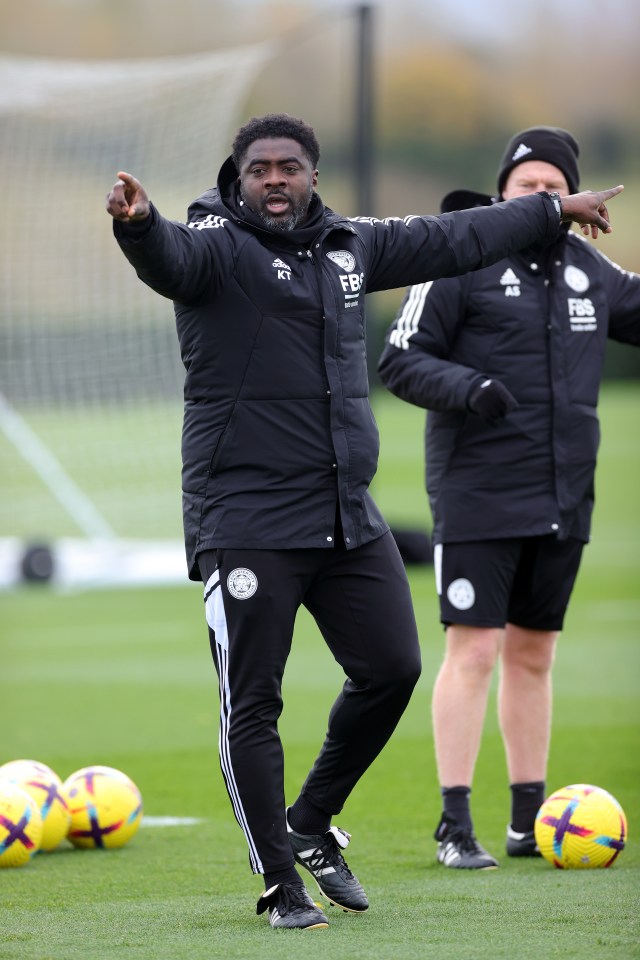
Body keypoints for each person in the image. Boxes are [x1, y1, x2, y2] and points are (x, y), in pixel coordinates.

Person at [105, 113, 623, 928]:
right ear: (238, 180)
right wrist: (139, 227)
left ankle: (309, 821)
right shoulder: (214, 245)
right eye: (259, 169)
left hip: (345, 515)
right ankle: (280, 883)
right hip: (247, 519)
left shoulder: (350, 246)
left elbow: (455, 236)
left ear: (314, 174)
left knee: (393, 669)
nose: (275, 179)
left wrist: (552, 211)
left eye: (291, 166)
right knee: (255, 705)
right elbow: (170, 256)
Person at [378, 125, 640, 871]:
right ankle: (454, 825)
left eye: (554, 187)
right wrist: (473, 389)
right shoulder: (460, 256)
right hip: (478, 494)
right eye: (527, 187)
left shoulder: (589, 268)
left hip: (565, 496)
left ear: (577, 197)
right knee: (474, 652)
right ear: (502, 194)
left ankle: (531, 822)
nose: (541, 198)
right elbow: (399, 358)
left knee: (533, 655)